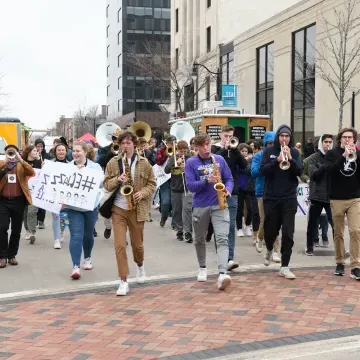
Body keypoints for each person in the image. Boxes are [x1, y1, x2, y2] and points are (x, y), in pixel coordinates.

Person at [104, 131, 156, 296]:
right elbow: (105, 184)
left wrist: (143, 193)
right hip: (118, 208)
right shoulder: (113, 162)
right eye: (123, 143)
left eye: (128, 143)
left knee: (137, 245)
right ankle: (123, 280)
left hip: (137, 208)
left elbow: (152, 183)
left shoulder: (144, 163)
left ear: (134, 144)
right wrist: (117, 180)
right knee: (119, 245)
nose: (125, 146)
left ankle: (140, 265)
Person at [185, 133, 234, 290]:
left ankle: (222, 273)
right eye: (203, 145)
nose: (206, 148)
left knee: (222, 238)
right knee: (199, 239)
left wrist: (228, 190)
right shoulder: (191, 162)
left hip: (219, 203)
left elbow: (229, 179)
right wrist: (207, 180)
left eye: (208, 144)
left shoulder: (219, 160)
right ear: (197, 147)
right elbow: (191, 186)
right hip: (200, 204)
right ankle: (202, 267)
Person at [260, 124, 303, 279]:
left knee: (288, 233)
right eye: (282, 136)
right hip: (271, 197)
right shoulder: (268, 151)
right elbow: (262, 171)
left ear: (290, 138)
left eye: (287, 136)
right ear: (277, 137)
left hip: (289, 198)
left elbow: (300, 172)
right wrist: (276, 161)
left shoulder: (295, 152)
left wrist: (290, 160)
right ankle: (270, 248)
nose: (284, 139)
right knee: (270, 231)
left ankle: (285, 266)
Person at [325, 127, 360, 279]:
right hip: (337, 198)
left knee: (355, 231)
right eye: (344, 137)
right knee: (338, 232)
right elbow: (329, 172)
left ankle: (356, 265)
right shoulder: (332, 154)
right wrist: (343, 157)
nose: (347, 140)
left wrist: (355, 157)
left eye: (350, 138)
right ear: (340, 139)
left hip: (354, 198)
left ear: (354, 140)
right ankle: (340, 262)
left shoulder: (358, 154)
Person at [66, 142, 103, 280]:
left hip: (90, 207)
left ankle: (87, 258)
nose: (75, 153)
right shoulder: (67, 167)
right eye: (73, 151)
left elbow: (101, 183)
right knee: (76, 235)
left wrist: (85, 172)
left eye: (78, 151)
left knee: (88, 234)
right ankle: (75, 266)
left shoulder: (95, 166)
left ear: (85, 152)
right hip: (73, 208)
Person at [212, 126, 247, 270]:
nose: (228, 139)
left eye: (230, 136)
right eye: (226, 136)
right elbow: (213, 164)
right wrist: (223, 149)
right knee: (219, 226)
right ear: (220, 135)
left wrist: (235, 150)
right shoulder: (214, 150)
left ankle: (229, 258)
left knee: (231, 225)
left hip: (232, 193)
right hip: (216, 192)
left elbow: (244, 166)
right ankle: (222, 256)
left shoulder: (234, 151)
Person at [0, 145, 35, 268]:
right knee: (2, 227)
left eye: (13, 152)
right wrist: (5, 162)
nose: (11, 154)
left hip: (18, 201)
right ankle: (2, 256)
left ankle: (11, 255)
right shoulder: (1, 163)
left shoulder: (21, 164)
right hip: (3, 201)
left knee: (16, 230)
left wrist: (20, 159)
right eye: (9, 152)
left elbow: (31, 172)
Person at [251, 132, 281, 262]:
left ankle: (276, 251)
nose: (271, 146)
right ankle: (260, 236)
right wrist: (268, 165)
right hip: (262, 191)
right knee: (265, 220)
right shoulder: (259, 156)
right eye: (268, 143)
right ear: (264, 144)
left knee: (276, 222)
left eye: (273, 143)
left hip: (277, 191)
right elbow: (253, 172)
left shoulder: (280, 154)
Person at [305, 134, 334, 256]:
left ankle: (340, 247)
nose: (328, 144)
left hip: (331, 195)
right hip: (316, 195)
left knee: (335, 224)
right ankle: (309, 247)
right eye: (326, 142)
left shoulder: (334, 157)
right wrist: (326, 166)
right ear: (321, 143)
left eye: (330, 142)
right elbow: (314, 175)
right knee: (312, 222)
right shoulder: (313, 158)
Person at [165, 140, 193, 243]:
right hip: (176, 188)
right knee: (177, 210)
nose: (183, 154)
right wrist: (175, 164)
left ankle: (188, 232)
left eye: (185, 151)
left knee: (187, 210)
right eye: (181, 151)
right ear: (178, 150)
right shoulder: (173, 158)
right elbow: (166, 170)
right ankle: (180, 230)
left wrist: (187, 167)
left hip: (187, 187)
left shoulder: (190, 158)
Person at [97, 128, 123, 239]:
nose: (117, 141)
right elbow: (100, 161)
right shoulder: (105, 149)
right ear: (112, 139)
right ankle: (108, 227)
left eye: (119, 139)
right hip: (109, 181)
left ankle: (122, 236)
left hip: (123, 181)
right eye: (115, 139)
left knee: (121, 210)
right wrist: (110, 153)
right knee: (106, 206)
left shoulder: (125, 148)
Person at [50, 143, 70, 249]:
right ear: (55, 152)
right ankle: (56, 239)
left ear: (66, 152)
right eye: (59, 150)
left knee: (64, 216)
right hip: (54, 194)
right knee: (55, 215)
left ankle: (62, 231)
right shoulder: (49, 163)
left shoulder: (71, 164)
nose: (61, 152)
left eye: (63, 150)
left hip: (66, 195)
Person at [22, 146, 42, 244]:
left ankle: (32, 232)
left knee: (31, 211)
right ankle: (27, 229)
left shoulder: (39, 163)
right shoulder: (22, 162)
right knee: (25, 212)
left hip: (35, 192)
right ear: (29, 152)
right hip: (23, 191)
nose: (36, 152)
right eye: (34, 150)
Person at [156, 135, 175, 228]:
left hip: (175, 178)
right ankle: (163, 217)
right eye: (170, 143)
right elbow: (158, 162)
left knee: (174, 201)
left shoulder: (178, 150)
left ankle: (174, 223)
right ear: (167, 143)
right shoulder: (161, 150)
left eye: (173, 143)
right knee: (165, 201)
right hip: (164, 178)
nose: (172, 144)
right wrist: (166, 154)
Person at [236, 144, 252, 238]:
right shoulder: (237, 161)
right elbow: (239, 170)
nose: (244, 153)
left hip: (248, 187)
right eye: (242, 151)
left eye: (246, 151)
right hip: (239, 187)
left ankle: (248, 225)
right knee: (239, 209)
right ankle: (239, 228)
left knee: (250, 209)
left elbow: (250, 171)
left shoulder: (250, 161)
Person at [34, 138, 49, 229]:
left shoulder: (46, 155)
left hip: (44, 181)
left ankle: (41, 221)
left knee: (42, 203)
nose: (40, 148)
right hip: (35, 181)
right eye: (38, 146)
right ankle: (34, 220)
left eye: (41, 146)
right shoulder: (33, 155)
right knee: (35, 202)